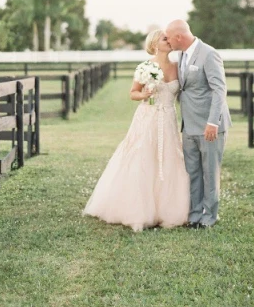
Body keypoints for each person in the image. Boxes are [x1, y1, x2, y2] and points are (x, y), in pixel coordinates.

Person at [83, 29, 190, 231]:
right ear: (155, 44)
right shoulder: (145, 67)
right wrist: (144, 94)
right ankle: (138, 209)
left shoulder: (178, 66)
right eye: (164, 39)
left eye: (168, 38)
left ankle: (169, 209)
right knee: (143, 157)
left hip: (168, 119)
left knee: (169, 158)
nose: (168, 41)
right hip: (147, 118)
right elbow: (133, 93)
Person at [165, 20, 231, 228]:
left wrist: (213, 122)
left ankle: (210, 217)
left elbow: (219, 90)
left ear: (178, 37)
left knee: (210, 172)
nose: (167, 41)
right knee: (192, 172)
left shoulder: (209, 54)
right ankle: (194, 215)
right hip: (189, 125)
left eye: (168, 37)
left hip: (209, 126)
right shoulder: (181, 55)